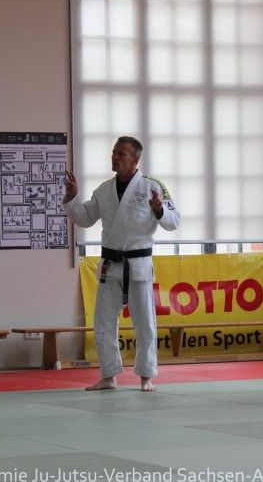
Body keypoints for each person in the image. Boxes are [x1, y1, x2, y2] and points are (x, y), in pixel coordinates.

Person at [63, 136, 179, 392]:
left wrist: (159, 210)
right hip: (110, 265)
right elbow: (84, 218)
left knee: (145, 323)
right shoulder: (104, 190)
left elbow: (173, 221)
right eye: (114, 152)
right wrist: (72, 199)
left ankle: (146, 375)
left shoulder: (152, 187)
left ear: (135, 160)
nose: (114, 157)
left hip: (138, 265)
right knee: (103, 322)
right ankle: (109, 375)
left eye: (121, 154)